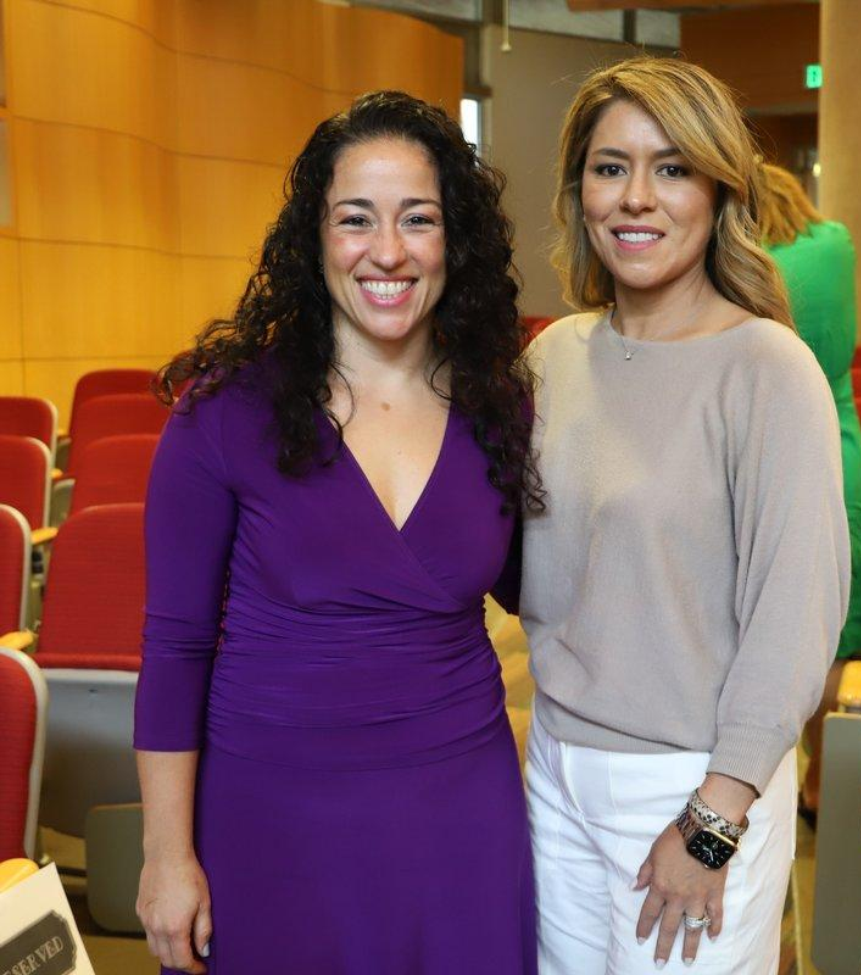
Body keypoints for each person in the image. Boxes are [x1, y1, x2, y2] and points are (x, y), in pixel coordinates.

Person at [133, 91, 542, 975]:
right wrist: (166, 857)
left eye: (417, 220)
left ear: (454, 241)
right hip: (272, 818)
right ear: (313, 238)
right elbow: (173, 649)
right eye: (355, 219)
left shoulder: (500, 403)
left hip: (460, 817)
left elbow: (549, 592)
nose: (386, 252)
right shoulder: (223, 412)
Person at [519, 57, 850, 974]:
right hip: (555, 764)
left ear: (718, 190)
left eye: (670, 168)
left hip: (695, 781)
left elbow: (794, 618)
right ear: (578, 189)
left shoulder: (766, 369)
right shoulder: (555, 359)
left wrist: (713, 819)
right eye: (608, 166)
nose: (636, 198)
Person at [756, 162, 861, 820]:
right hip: (838, 440)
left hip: (763, 440)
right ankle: (820, 785)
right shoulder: (833, 244)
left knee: (765, 610)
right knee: (843, 619)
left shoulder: (738, 261)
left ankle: (762, 772)